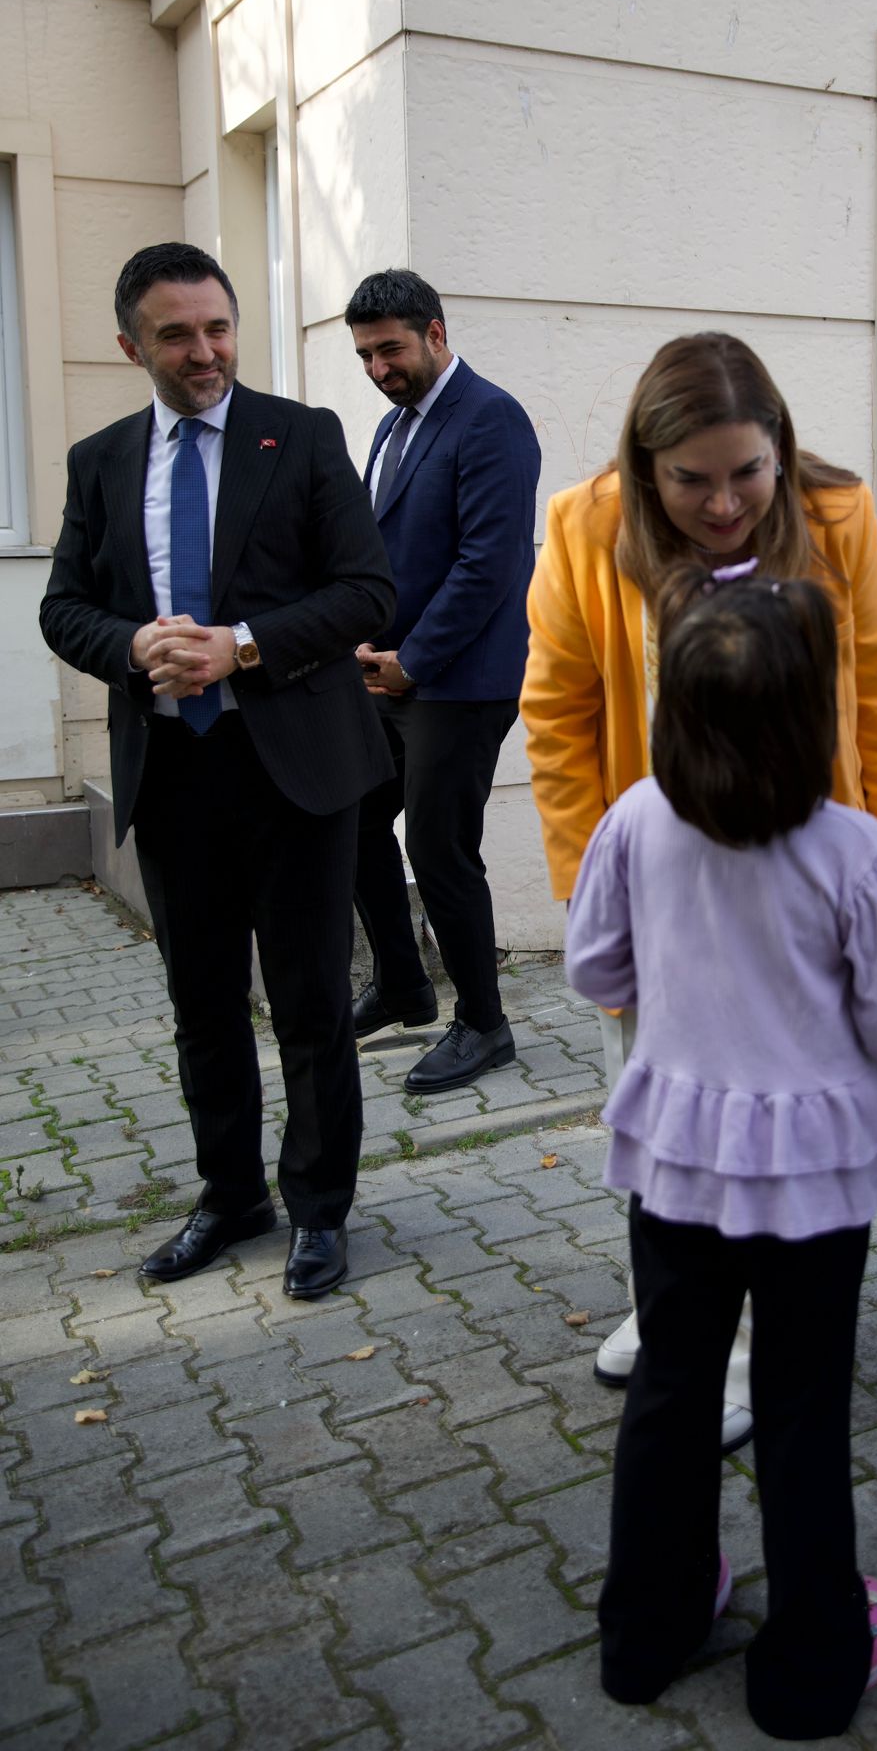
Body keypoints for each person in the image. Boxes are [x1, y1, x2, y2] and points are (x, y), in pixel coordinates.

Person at [521, 331, 877, 1452]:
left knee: (785, 1118)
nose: (726, 503)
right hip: (666, 893)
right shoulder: (583, 524)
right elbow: (555, 720)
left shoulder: (837, 515)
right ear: (644, 467)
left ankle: (754, 1352)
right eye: (691, 479)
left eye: (748, 472)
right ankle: (673, 1318)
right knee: (664, 1118)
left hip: (805, 890)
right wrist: (589, 889)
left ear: (780, 446)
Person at [565, 561, 877, 1739]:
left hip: (675, 1160)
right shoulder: (856, 851)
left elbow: (592, 966)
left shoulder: (636, 818)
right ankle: (812, 1661)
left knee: (671, 1386)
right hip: (814, 1181)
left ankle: (648, 1624)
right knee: (800, 1401)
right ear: (812, 712)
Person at [40, 242, 396, 1298]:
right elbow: (63, 606)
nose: (204, 352)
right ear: (130, 346)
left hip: (295, 771)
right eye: (176, 335)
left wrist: (240, 645)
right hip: (172, 773)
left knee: (310, 1001)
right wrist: (132, 645)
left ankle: (319, 1209)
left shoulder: (304, 435)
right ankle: (232, 1195)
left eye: (218, 328)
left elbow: (366, 591)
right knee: (202, 1005)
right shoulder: (100, 461)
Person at [346, 270, 541, 1092]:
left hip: (461, 680)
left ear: (434, 333)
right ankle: (402, 983)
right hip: (390, 674)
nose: (378, 368)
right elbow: (388, 548)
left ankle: (485, 1025)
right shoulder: (393, 425)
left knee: (436, 845)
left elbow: (488, 563)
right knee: (352, 817)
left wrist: (413, 661)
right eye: (365, 355)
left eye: (390, 349)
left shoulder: (490, 417)